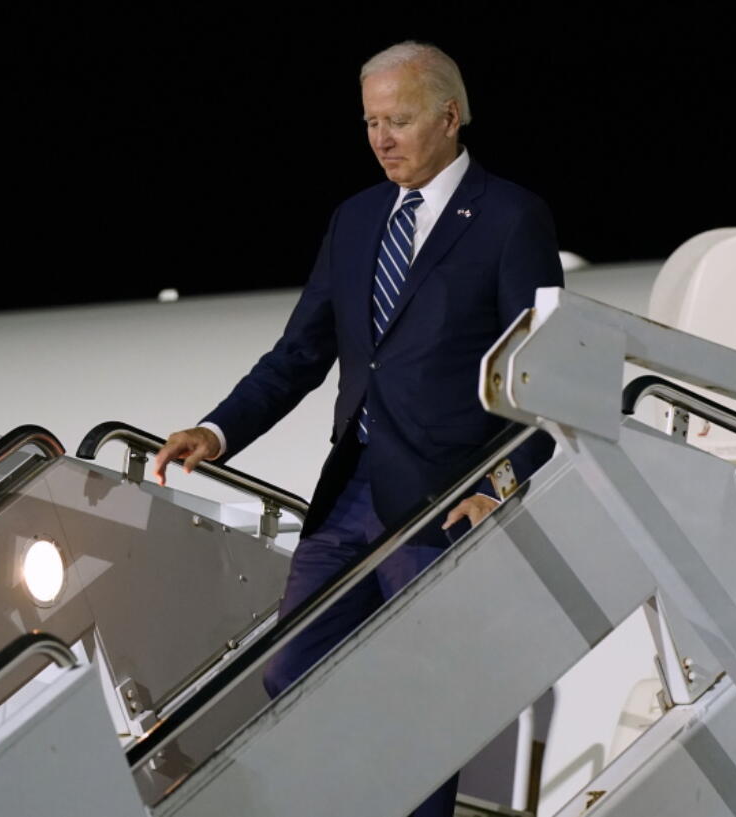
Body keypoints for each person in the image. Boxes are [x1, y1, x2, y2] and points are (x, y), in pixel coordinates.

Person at [153, 41, 562, 817]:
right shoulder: (356, 218)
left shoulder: (510, 218)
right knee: (291, 667)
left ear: (448, 115)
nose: (381, 138)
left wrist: (498, 484)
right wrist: (217, 432)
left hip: (444, 497)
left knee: (423, 682)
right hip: (351, 490)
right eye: (370, 121)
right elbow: (300, 352)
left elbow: (545, 380)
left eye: (397, 119)